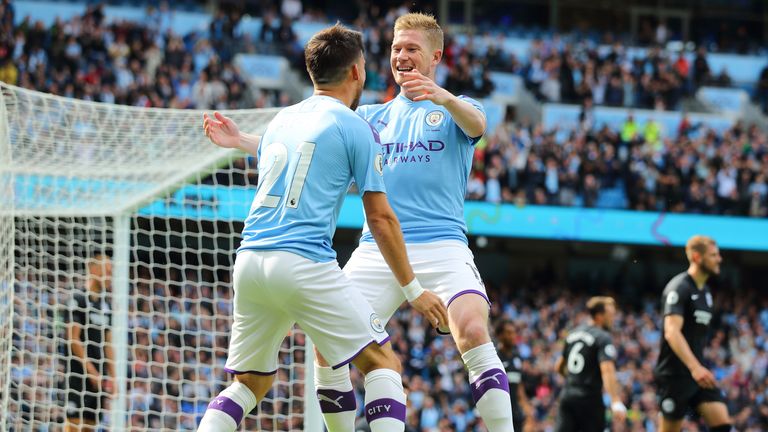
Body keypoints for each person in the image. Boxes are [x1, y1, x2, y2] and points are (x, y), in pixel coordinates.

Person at [203, 12, 512, 431]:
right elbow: (309, 145)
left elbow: (478, 124)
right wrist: (242, 141)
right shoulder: (368, 116)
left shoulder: (457, 109)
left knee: (473, 330)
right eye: (395, 49)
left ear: (435, 56)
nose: (401, 57)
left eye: (412, 50)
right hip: (377, 248)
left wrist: (441, 97)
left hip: (442, 244)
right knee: (328, 350)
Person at [653, 235, 732, 432]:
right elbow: (672, 332)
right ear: (697, 257)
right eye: (714, 255)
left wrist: (698, 368)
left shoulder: (705, 292)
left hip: (697, 374)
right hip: (675, 375)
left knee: (722, 425)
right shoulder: (679, 288)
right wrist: (695, 367)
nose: (719, 259)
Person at [554, 296, 627, 432]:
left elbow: (558, 367)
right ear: (599, 316)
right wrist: (615, 400)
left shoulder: (572, 334)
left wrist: (575, 380)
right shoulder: (602, 337)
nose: (613, 319)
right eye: (610, 315)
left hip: (568, 396)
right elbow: (607, 370)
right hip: (589, 400)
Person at [60, 254, 116, 432]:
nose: (110, 275)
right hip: (78, 376)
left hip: (97, 379)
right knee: (74, 426)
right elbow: (73, 339)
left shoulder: (105, 306)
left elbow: (108, 343)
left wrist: (113, 377)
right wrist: (92, 372)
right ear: (93, 269)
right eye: (107, 270)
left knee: (90, 427)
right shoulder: (77, 300)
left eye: (111, 271)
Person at [495, 320, 535, 432]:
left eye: (513, 333)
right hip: (499, 416)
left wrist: (528, 414)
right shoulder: (494, 358)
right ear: (499, 335)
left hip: (516, 415)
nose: (512, 336)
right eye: (508, 332)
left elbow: (519, 388)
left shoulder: (517, 358)